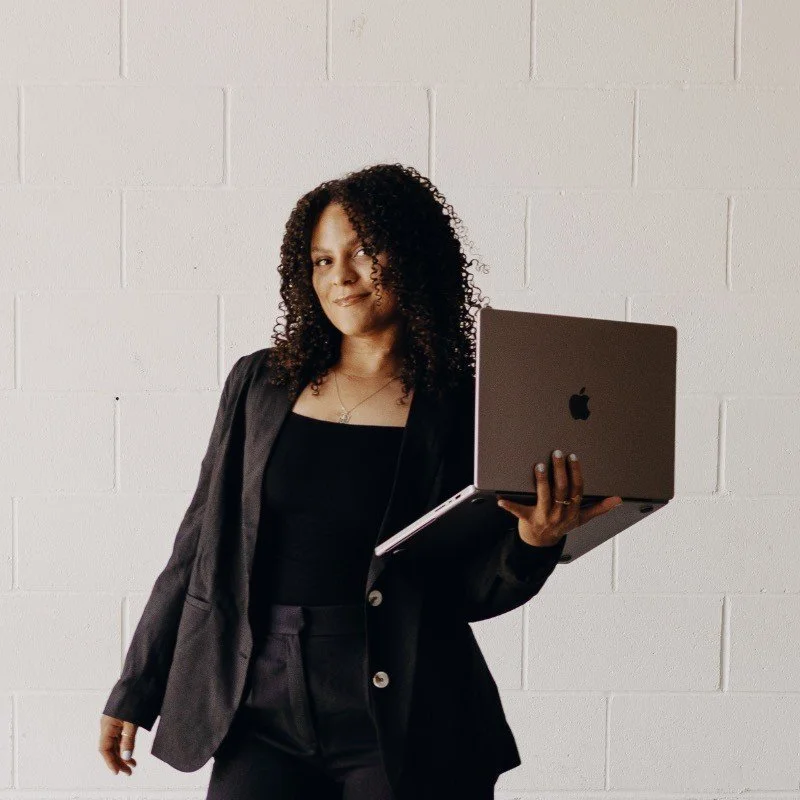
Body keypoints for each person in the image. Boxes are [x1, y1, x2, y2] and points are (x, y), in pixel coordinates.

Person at [97, 163, 623, 799]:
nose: (340, 277)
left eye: (363, 252)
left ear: (413, 256)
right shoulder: (260, 384)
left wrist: (536, 540)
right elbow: (199, 546)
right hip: (257, 707)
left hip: (414, 712)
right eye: (321, 260)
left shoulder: (470, 406)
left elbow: (469, 590)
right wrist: (138, 685)